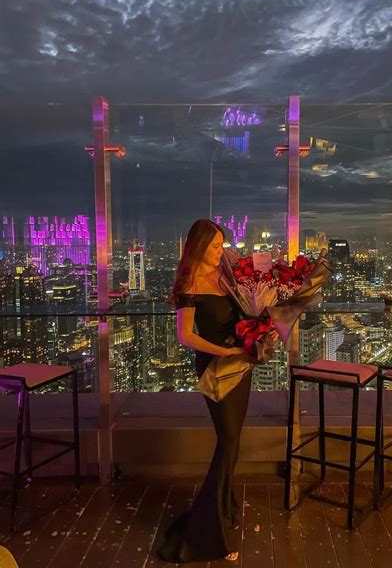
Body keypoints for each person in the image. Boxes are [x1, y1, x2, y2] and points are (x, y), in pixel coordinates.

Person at [156, 219, 257, 563]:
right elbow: (186, 336)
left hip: (240, 366)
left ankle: (224, 511)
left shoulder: (226, 276)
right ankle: (208, 528)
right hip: (215, 368)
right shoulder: (190, 283)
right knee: (227, 440)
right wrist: (224, 352)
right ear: (199, 247)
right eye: (215, 246)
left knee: (234, 441)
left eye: (222, 244)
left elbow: (246, 313)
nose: (221, 250)